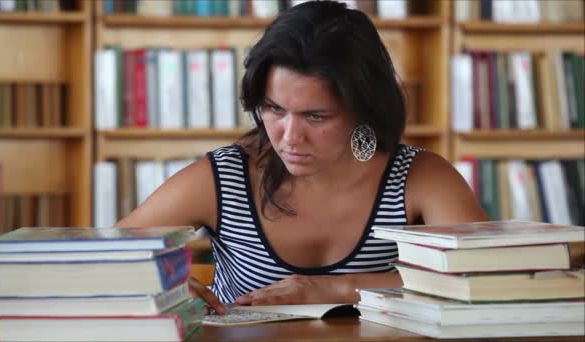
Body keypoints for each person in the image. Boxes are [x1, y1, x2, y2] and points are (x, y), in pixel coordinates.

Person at [116, 0, 488, 315]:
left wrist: (340, 289)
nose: (289, 137)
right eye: (274, 109)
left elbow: (483, 279)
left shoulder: (420, 177)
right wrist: (165, 286)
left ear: (364, 109)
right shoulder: (224, 177)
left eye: (316, 116)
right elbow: (104, 261)